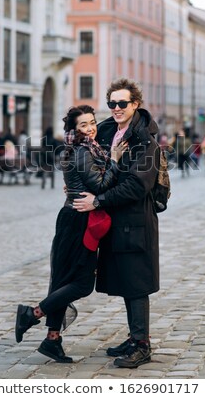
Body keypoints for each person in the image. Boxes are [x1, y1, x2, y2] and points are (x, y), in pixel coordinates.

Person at [15, 105, 127, 363]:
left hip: (78, 218)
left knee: (64, 280)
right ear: (74, 131)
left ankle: (52, 340)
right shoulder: (83, 152)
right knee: (82, 284)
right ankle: (31, 314)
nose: (90, 128)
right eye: (83, 125)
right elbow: (99, 185)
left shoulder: (87, 149)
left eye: (92, 122)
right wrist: (115, 161)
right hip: (77, 221)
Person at [73, 78, 160, 369]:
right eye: (112, 103)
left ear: (135, 104)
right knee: (126, 279)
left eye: (123, 103)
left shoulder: (144, 140)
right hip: (115, 220)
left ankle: (142, 345)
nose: (117, 108)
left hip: (135, 220)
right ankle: (135, 338)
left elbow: (137, 186)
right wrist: (75, 184)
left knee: (137, 283)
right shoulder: (108, 130)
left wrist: (97, 201)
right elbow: (89, 160)